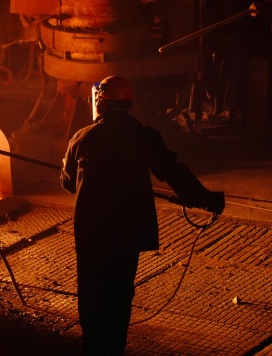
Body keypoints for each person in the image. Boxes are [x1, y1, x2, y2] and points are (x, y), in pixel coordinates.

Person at [59, 75, 225, 356]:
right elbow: (173, 172)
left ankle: (93, 349)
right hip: (127, 234)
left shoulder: (83, 137)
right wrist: (205, 199)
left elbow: (66, 182)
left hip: (92, 235)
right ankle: (114, 349)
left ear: (100, 103)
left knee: (92, 296)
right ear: (129, 105)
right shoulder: (144, 137)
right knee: (120, 294)